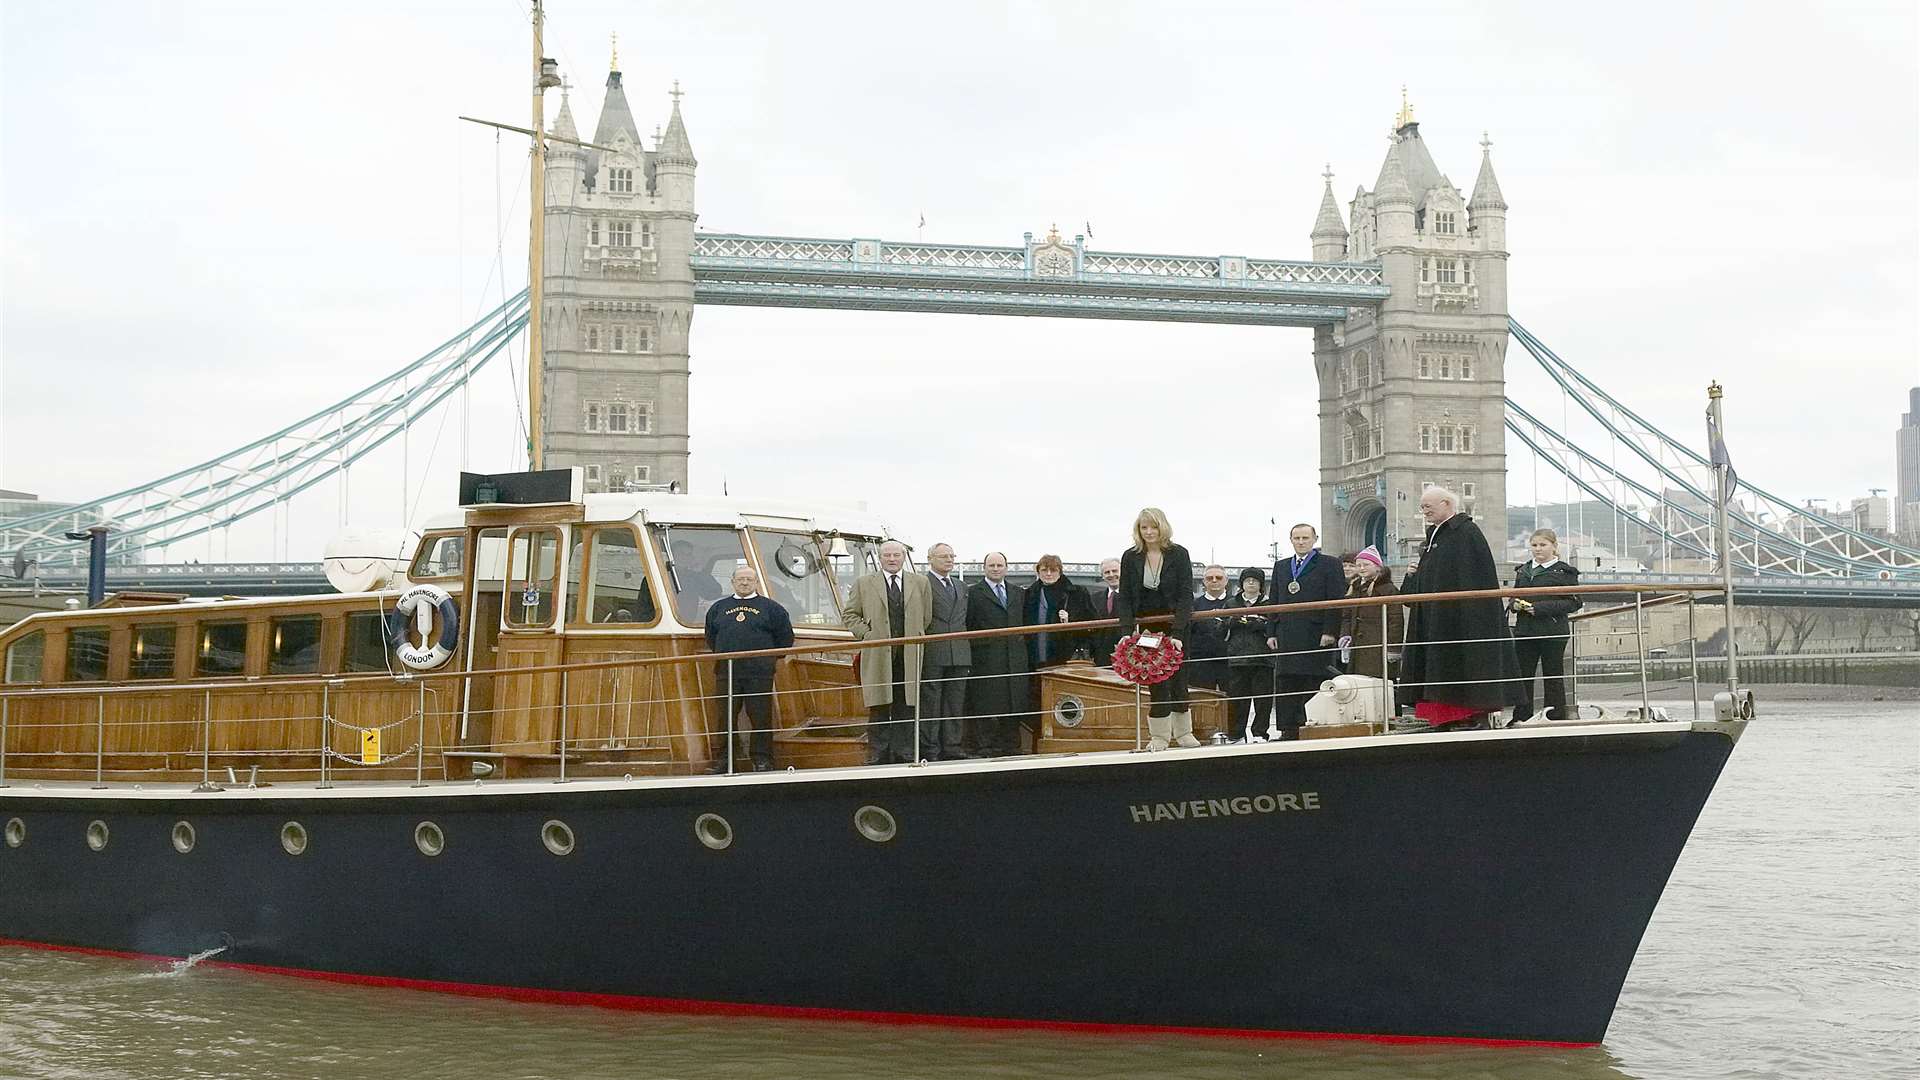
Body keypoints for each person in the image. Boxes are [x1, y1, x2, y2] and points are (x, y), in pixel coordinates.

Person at [1399, 486, 1520, 729]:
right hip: (1436, 616)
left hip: (1458, 618)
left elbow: (1474, 576)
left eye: (1428, 507)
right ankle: (1439, 716)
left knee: (1458, 667)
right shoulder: (1436, 535)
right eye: (1422, 507)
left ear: (1446, 504)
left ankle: (1467, 716)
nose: (1424, 512)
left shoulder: (1466, 533)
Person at [1113, 507, 1197, 751]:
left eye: (1153, 527)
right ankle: (1159, 737)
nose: (1149, 532)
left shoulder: (1179, 554)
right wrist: (1127, 632)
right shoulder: (1130, 556)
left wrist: (1178, 633)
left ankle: (1184, 733)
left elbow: (1185, 596)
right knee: (1156, 681)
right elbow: (1125, 597)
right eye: (1144, 527)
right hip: (1147, 630)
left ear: (1163, 527)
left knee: (1179, 680)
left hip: (1176, 627)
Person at [842, 540, 932, 764]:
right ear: (880, 558)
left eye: (896, 555)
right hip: (879, 654)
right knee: (879, 705)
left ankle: (905, 752)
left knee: (906, 704)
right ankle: (877, 753)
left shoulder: (920, 582)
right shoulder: (864, 583)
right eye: (887, 555)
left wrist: (916, 634)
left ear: (903, 557)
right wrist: (867, 635)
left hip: (909, 653)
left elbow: (927, 616)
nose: (892, 559)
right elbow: (850, 615)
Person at [702, 566, 795, 772]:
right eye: (741, 579)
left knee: (760, 716)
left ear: (756, 583)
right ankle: (727, 759)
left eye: (749, 579)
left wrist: (768, 660)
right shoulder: (718, 608)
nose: (744, 583)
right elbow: (711, 637)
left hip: (759, 672)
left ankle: (762, 759)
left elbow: (785, 638)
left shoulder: (772, 608)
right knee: (725, 716)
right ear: (733, 582)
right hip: (727, 671)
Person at [1265, 524, 1346, 740]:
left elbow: (1335, 600)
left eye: (1305, 538)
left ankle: (1311, 726)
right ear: (1291, 540)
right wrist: (1271, 631)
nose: (1301, 542)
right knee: (1286, 681)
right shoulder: (1281, 566)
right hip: (1287, 633)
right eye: (1296, 538)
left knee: (1313, 679)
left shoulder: (1330, 564)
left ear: (1314, 539)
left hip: (1316, 633)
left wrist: (1330, 630)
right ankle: (1287, 729)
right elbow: (1274, 600)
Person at [1510, 528, 1582, 723]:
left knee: (1553, 675)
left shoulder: (1565, 571)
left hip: (1552, 629)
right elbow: (1514, 595)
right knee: (1523, 676)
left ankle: (1555, 715)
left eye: (1543, 545)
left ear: (1554, 546)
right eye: (1534, 545)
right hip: (1525, 630)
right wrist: (1515, 604)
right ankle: (1522, 716)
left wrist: (1540, 608)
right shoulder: (1523, 570)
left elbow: (1574, 602)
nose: (1538, 549)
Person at [964, 552, 1030, 756]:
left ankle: (1011, 746)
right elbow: (968, 624)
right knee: (986, 703)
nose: (995, 568)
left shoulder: (1018, 592)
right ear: (984, 568)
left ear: (1006, 568)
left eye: (999, 565)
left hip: (1015, 657)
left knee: (1013, 703)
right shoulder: (973, 593)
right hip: (986, 657)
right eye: (991, 565)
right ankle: (985, 747)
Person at [921, 542, 972, 759]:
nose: (949, 560)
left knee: (955, 702)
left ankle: (953, 747)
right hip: (934, 651)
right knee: (931, 703)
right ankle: (930, 748)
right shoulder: (922, 584)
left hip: (959, 652)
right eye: (943, 556)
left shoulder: (961, 586)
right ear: (930, 558)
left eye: (952, 556)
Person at [1223, 566, 1276, 742]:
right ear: (1241, 584)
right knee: (1237, 699)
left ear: (1261, 584)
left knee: (1263, 699)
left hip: (1262, 658)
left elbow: (1276, 627)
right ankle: (1236, 734)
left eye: (1255, 580)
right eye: (1247, 580)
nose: (1251, 583)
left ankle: (1260, 733)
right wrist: (1231, 622)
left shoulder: (1269, 604)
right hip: (1237, 657)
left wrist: (1260, 625)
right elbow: (1218, 629)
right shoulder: (1231, 603)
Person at [1338, 546, 1404, 680]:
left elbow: (1395, 620)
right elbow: (1346, 617)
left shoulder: (1388, 589)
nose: (1362, 568)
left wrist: (1393, 648)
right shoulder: (1354, 589)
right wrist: (1345, 635)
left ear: (1378, 567)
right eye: (1359, 565)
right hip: (1357, 644)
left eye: (1366, 565)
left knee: (1379, 681)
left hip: (1379, 644)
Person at [1021, 555, 1096, 669]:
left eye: (1053, 570)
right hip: (1035, 653)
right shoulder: (1028, 594)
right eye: (1044, 570)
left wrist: (1070, 619)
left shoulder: (1078, 593)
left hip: (1067, 655)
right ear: (1038, 572)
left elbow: (1093, 621)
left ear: (1060, 572)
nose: (1049, 574)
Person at [1187, 564, 1234, 693]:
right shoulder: (1193, 605)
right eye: (1209, 578)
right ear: (1204, 582)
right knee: (1202, 703)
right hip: (1201, 662)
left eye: (1218, 577)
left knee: (1233, 705)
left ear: (1226, 580)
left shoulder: (1236, 603)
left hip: (1229, 661)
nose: (1214, 580)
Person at [1088, 558, 1124, 667]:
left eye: (1115, 571)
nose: (1111, 575)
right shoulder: (1094, 598)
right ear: (1102, 576)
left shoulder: (1134, 597)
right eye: (1107, 572)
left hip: (1127, 656)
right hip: (1101, 657)